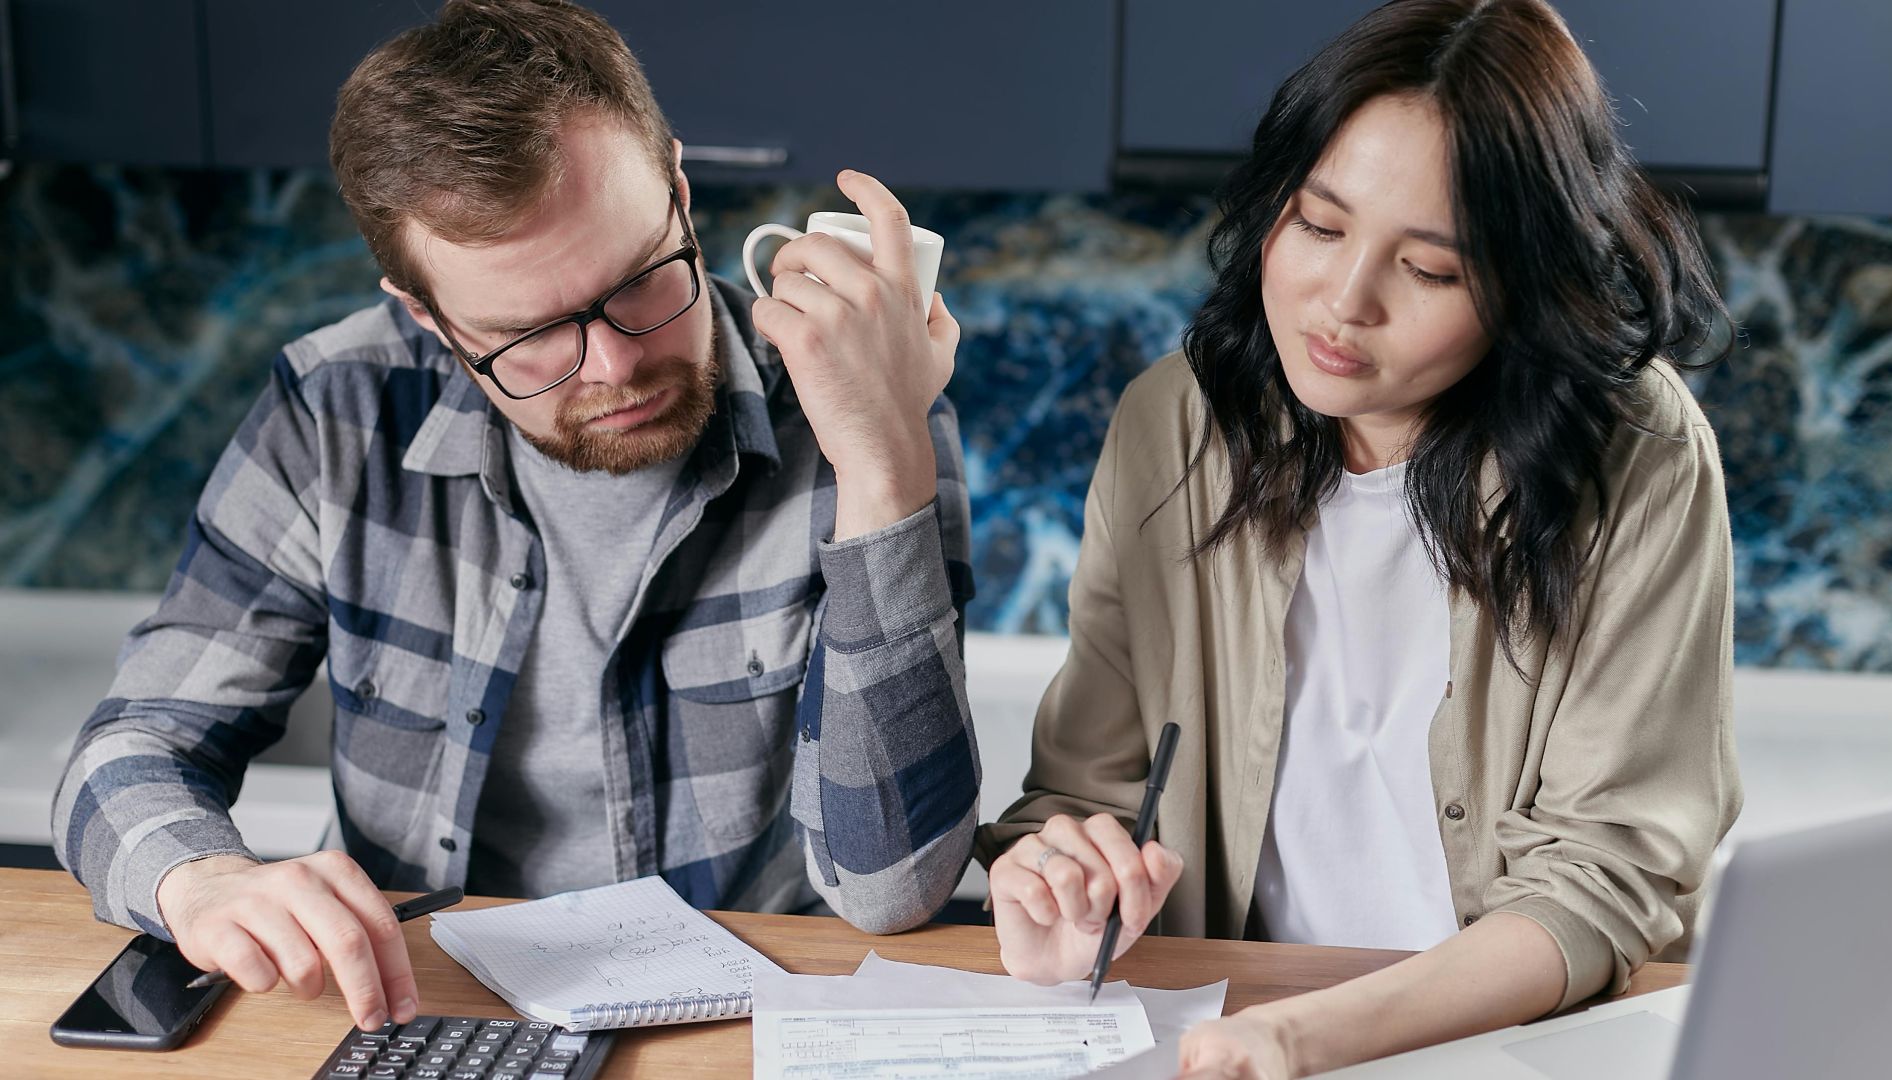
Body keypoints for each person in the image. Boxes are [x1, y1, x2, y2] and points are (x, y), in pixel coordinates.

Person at [51, 0, 979, 1036]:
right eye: (528, 338)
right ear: (426, 314)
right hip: (425, 1018)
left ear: (676, 189)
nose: (618, 365)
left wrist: (885, 455)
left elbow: (892, 887)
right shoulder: (336, 409)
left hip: (738, 1028)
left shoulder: (859, 398)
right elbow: (132, 747)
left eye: (638, 282)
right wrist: (203, 881)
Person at [977, 0, 1741, 1075]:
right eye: (1320, 226)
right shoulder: (1174, 424)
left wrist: (1297, 1038)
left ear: (1526, 284)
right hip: (1231, 1028)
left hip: (1512, 1047)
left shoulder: (1641, 455)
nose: (1342, 302)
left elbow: (1603, 880)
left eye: (1429, 270)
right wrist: (1057, 883)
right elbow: (1087, 792)